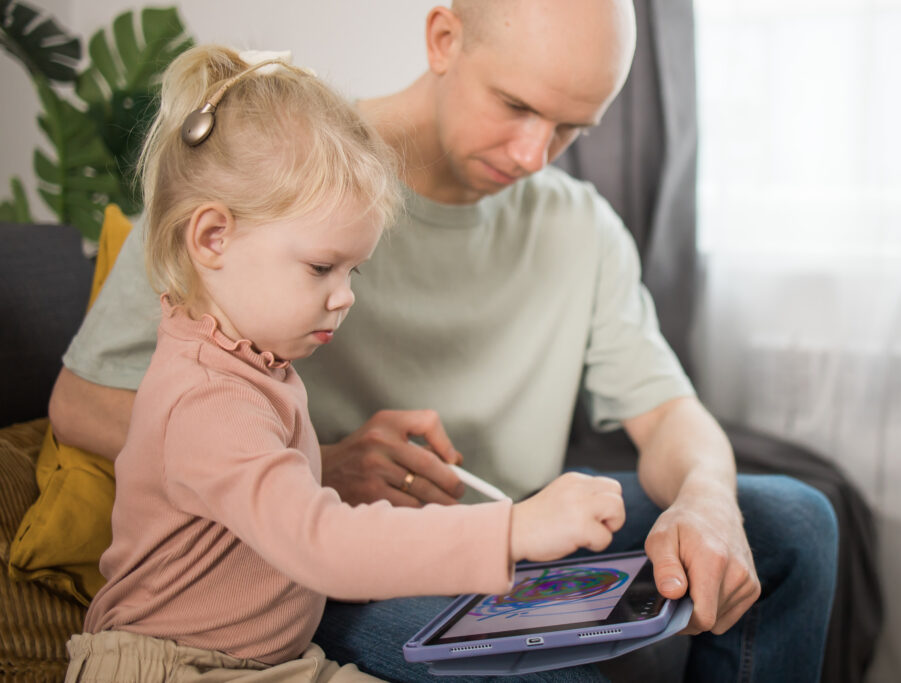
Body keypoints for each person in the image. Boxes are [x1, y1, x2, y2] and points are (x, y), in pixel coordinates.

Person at [50, 1, 839, 681]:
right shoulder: (274, 180)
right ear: (443, 40)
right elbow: (84, 402)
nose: (534, 154)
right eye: (516, 106)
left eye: (571, 128)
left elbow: (669, 416)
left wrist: (705, 501)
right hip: (345, 551)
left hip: (517, 518)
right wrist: (316, 461)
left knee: (795, 522)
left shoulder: (579, 225)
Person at [62, 44, 627, 682]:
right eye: (320, 267)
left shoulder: (251, 362)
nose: (345, 295)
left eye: (352, 269)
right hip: (178, 669)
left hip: (263, 660)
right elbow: (320, 543)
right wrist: (513, 530)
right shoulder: (209, 400)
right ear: (213, 237)